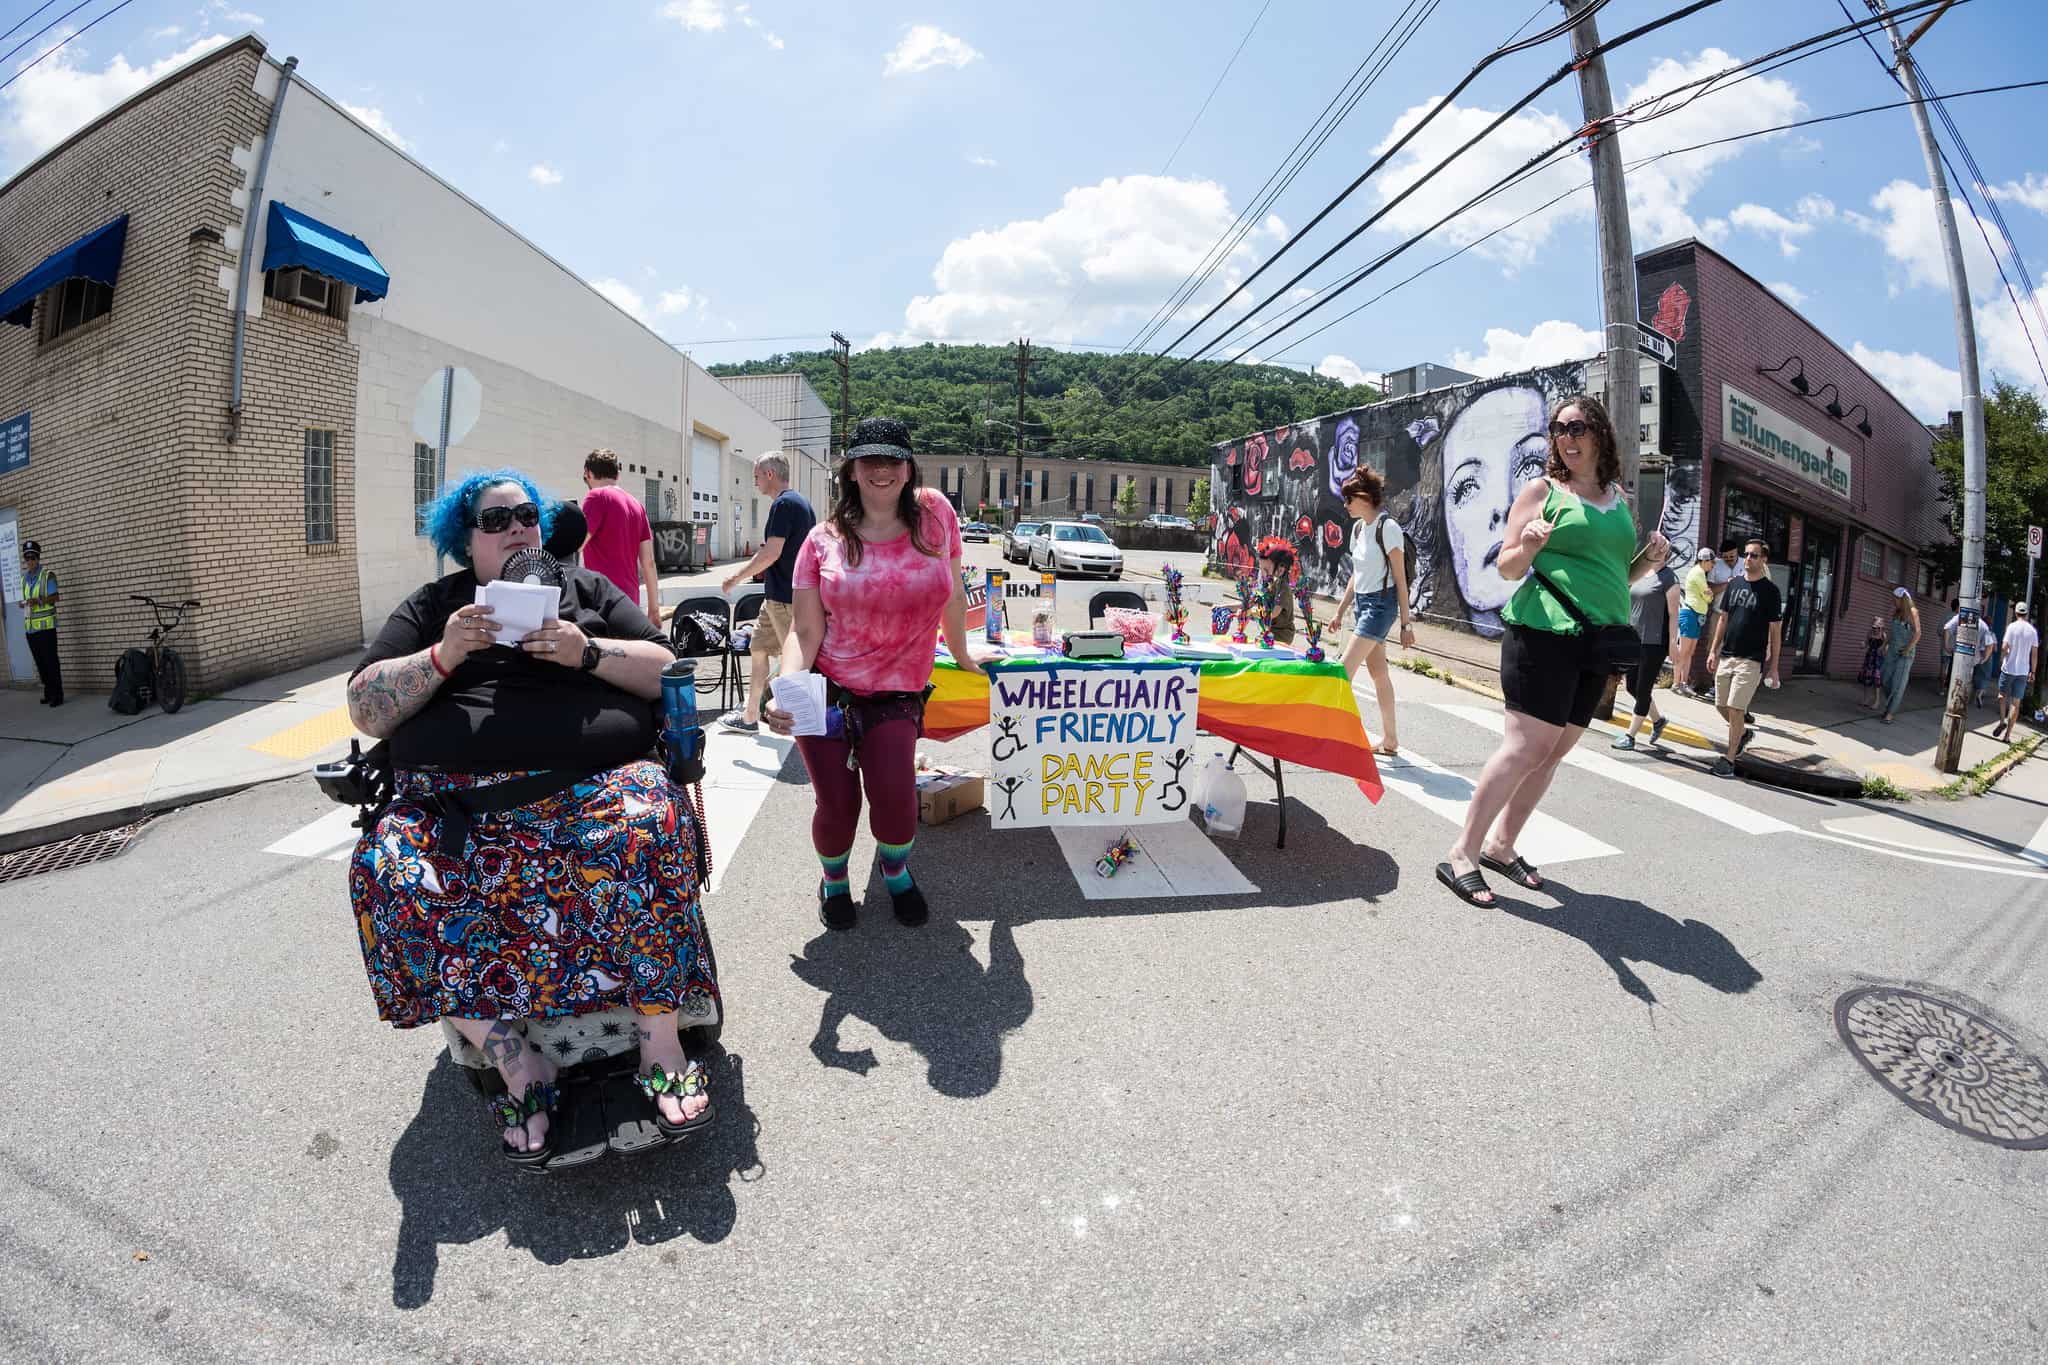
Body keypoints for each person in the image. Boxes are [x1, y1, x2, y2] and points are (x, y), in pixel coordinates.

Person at [345, 469, 717, 1165]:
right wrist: (445, 653)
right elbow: (365, 708)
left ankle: (658, 1042)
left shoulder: (586, 591)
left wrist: (589, 651)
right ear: (466, 541)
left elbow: (670, 668)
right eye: (495, 520)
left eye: (526, 514)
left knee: (650, 818)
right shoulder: (435, 606)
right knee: (386, 865)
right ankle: (518, 1062)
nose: (516, 526)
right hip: (465, 809)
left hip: (595, 787)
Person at [1436, 395, 1670, 906]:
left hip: (1597, 641)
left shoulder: (1616, 499)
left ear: (1600, 433)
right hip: (1542, 633)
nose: (1567, 437)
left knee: (1553, 754)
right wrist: (1532, 544)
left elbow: (1617, 576)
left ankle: (1502, 845)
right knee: (1525, 748)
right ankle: (1462, 853)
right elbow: (1508, 568)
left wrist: (1648, 562)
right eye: (1559, 429)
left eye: (1578, 426)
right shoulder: (1542, 491)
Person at [765, 417, 983, 931]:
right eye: (869, 460)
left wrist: (964, 654)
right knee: (837, 810)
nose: (881, 470)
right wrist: (786, 690)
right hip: (828, 692)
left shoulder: (936, 516)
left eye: (892, 459)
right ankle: (834, 881)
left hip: (897, 692)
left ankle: (896, 872)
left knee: (896, 805)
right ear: (852, 470)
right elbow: (803, 631)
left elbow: (951, 592)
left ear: (909, 468)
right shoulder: (823, 540)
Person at [720, 451, 816, 732]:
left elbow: (771, 553)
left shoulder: (784, 504)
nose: (756, 482)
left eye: (757, 476)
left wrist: (735, 577)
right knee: (759, 648)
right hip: (775, 598)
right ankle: (750, 715)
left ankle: (804, 725)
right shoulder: (797, 503)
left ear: (770, 475)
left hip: (787, 600)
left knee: (798, 664)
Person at [1331, 468, 1416, 757]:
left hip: (1381, 606)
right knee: (1379, 674)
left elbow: (1401, 579)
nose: (1346, 505)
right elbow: (1356, 575)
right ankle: (1390, 740)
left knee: (1343, 672)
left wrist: (1406, 624)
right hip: (1362, 604)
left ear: (1365, 498)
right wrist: (1341, 611)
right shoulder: (1359, 530)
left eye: (1349, 499)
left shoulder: (1387, 528)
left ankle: (1340, 739)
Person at [1704, 540, 1783, 777]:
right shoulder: (1734, 584)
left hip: (1751, 659)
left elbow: (1776, 631)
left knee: (1737, 709)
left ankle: (1729, 760)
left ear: (1763, 560)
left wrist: (1774, 668)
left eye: (1754, 556)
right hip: (1727, 655)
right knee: (1721, 705)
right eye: (1746, 554)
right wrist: (1713, 650)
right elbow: (1723, 619)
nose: (1748, 559)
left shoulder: (1771, 592)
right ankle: (1742, 734)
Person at [580, 449, 663, 629]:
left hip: (602, 601)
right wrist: (654, 609)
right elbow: (648, 562)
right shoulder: (637, 505)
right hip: (630, 601)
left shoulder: (596, 497)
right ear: (617, 474)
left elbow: (577, 544)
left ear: (588, 473)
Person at [1613, 557, 1679, 751]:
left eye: (1662, 547)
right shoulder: (1641, 572)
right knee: (1632, 687)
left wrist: (1673, 644)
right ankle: (1658, 721)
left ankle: (1630, 736)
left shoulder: (1669, 578)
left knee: (1643, 689)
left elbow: (1674, 614)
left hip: (1654, 642)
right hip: (1634, 638)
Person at [17, 539, 61, 706]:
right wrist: (22, 603)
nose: (30, 561)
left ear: (38, 557)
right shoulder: (24, 579)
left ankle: (57, 695)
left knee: (51, 662)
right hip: (31, 630)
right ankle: (48, 692)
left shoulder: (47, 575)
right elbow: (23, 599)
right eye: (27, 558)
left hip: (46, 628)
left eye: (33, 558)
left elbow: (56, 597)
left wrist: (39, 601)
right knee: (41, 663)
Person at [1673, 547, 1716, 698]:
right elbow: (1708, 597)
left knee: (1689, 652)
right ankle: (1676, 683)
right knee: (1684, 651)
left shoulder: (1701, 573)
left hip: (1695, 615)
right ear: (1704, 561)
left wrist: (1709, 595)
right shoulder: (1698, 573)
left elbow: (1708, 596)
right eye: (1711, 562)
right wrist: (1709, 595)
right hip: (1690, 613)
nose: (1713, 565)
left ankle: (1683, 683)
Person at [1993, 602, 2038, 740]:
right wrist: (2033, 671)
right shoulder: (2032, 631)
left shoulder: (2012, 627)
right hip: (2023, 671)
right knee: (2016, 703)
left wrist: (2007, 653)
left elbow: (2004, 647)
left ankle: (2002, 721)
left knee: (2002, 696)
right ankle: (2007, 736)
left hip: (2009, 668)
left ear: (2016, 612)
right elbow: (2034, 654)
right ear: (2026, 613)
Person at [1877, 586, 1921, 724]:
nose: (1893, 601)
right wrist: (1884, 645)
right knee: (1884, 677)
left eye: (1895, 599)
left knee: (1898, 683)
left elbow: (1918, 633)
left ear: (1902, 599)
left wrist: (1908, 649)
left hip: (1905, 653)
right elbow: (1892, 632)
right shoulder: (1897, 613)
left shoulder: (1913, 612)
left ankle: (1890, 713)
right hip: (1892, 651)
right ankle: (1891, 703)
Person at [1254, 536, 1299, 645]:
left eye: (1266, 570)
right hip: (1269, 632)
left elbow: (1273, 613)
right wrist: (1226, 607)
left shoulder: (1283, 588)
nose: (1263, 574)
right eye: (1261, 569)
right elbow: (1250, 602)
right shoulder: (1267, 585)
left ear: (1280, 570)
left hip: (1281, 635)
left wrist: (1250, 612)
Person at [1856, 615, 1887, 709]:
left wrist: (1883, 650)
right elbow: (1866, 644)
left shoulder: (1883, 635)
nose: (1875, 629)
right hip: (1869, 657)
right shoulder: (1869, 633)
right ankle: (1866, 699)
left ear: (1881, 627)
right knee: (1866, 679)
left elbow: (1885, 649)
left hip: (1877, 659)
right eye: (1873, 627)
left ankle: (1876, 701)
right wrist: (1863, 645)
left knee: (1876, 681)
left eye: (1877, 627)